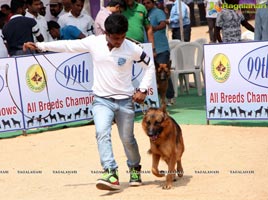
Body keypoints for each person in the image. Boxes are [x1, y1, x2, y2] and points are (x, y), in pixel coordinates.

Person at [23, 13, 155, 191]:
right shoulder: (94, 42)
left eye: (123, 37)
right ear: (106, 33)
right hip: (101, 100)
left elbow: (149, 66)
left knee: (127, 139)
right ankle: (111, 173)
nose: (120, 41)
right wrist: (39, 45)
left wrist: (143, 89)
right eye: (116, 38)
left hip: (125, 101)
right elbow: (68, 45)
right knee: (101, 132)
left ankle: (134, 168)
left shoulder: (132, 48)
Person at [142, 0, 174, 104]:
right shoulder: (144, 14)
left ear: (153, 3)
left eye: (148, 2)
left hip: (161, 48)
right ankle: (155, 98)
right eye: (144, 3)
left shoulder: (158, 12)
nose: (146, 5)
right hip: (149, 49)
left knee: (164, 73)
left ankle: (170, 97)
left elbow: (163, 24)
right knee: (154, 75)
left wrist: (152, 29)